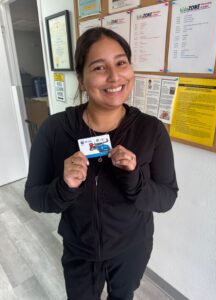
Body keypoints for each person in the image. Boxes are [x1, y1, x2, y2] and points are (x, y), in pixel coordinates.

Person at [25, 27, 178, 300]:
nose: (114, 76)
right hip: (79, 249)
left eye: (121, 63)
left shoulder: (151, 130)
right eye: (99, 67)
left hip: (132, 248)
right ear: (81, 80)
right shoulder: (54, 130)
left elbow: (166, 198)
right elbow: (35, 197)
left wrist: (133, 178)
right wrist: (64, 186)